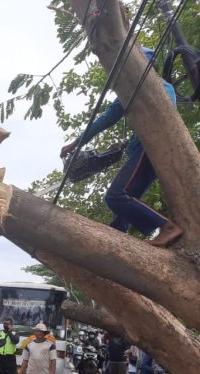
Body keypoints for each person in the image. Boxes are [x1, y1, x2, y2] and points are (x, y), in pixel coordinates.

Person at [60, 47, 182, 248]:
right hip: (149, 150)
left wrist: (76, 142)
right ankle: (119, 236)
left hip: (149, 148)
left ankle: (166, 227)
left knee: (115, 196)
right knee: (124, 205)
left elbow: (107, 118)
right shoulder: (161, 87)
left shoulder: (143, 87)